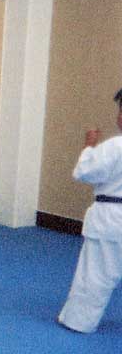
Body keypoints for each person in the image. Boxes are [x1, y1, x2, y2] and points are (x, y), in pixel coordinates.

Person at [58, 87, 122, 333]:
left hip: (111, 218)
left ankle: (79, 321)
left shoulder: (115, 146)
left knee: (97, 274)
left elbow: (84, 172)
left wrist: (89, 147)